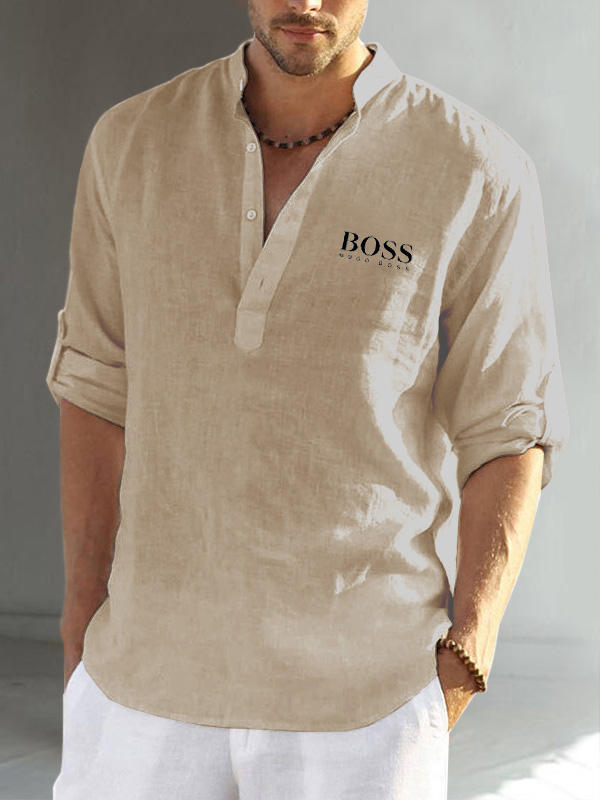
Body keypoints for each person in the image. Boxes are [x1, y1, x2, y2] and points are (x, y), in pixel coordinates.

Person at [47, 1, 570, 798]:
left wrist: (468, 651)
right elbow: (95, 384)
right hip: (139, 687)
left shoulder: (475, 168)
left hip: (365, 704)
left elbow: (509, 425)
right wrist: (81, 622)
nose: (307, 0)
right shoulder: (132, 141)